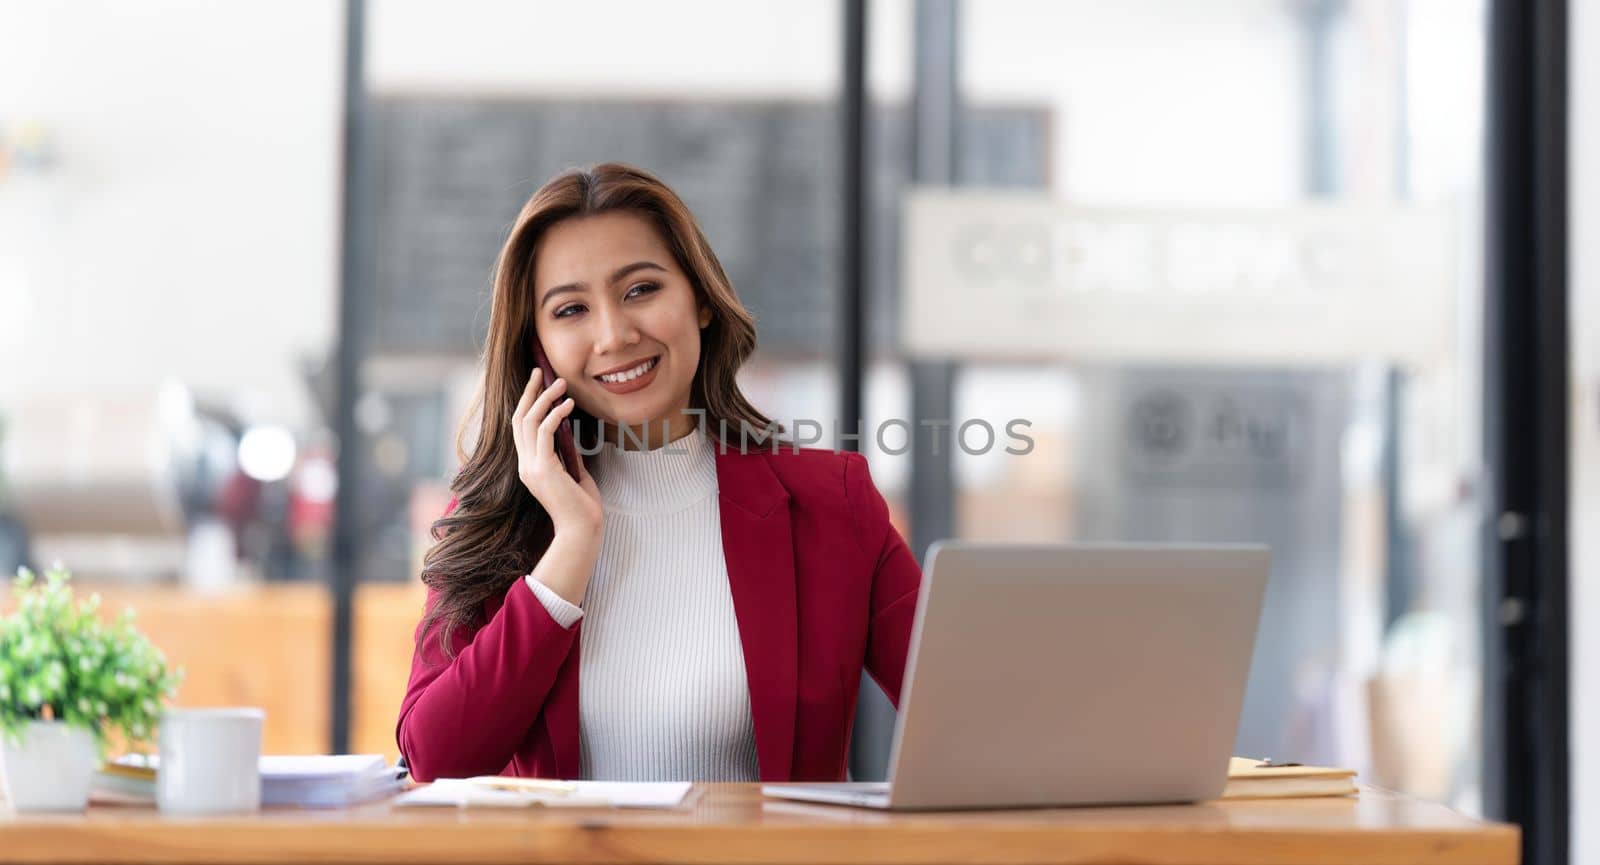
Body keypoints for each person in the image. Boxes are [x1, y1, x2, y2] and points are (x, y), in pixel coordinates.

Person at [395, 163, 921, 783]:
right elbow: (435, 759)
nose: (614, 335)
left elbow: (969, 710)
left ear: (699, 299)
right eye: (570, 310)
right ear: (535, 345)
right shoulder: (496, 522)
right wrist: (570, 549)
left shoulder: (832, 504)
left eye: (641, 290)